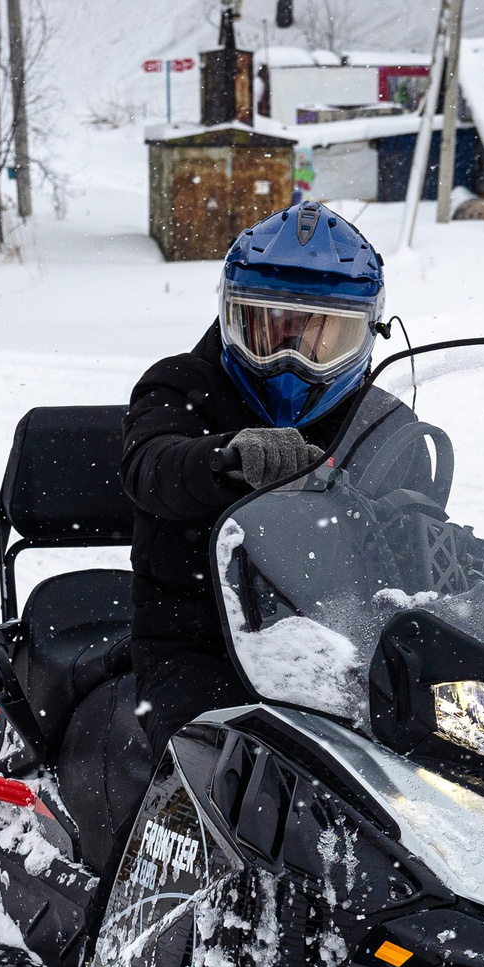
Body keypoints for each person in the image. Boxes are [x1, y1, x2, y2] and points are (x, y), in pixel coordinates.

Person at [119, 199, 384, 761]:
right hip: (195, 650)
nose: (292, 358)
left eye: (321, 336)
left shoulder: (372, 418)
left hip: (333, 653)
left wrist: (482, 561)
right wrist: (223, 458)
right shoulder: (180, 385)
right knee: (223, 777)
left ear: (364, 335)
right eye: (269, 328)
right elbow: (152, 465)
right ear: (230, 317)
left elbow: (409, 516)